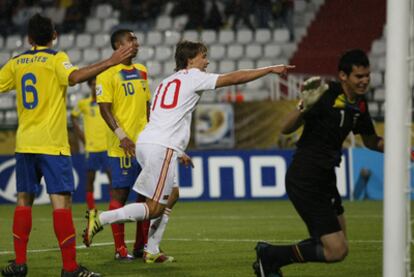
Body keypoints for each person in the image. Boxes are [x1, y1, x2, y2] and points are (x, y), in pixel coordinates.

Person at [82, 40, 295, 261]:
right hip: (160, 146)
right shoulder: (194, 77)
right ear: (190, 60)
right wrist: (269, 69)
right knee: (154, 208)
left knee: (172, 195)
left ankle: (152, 250)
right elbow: (234, 78)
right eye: (203, 56)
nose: (207, 61)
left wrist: (176, 150)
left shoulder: (167, 81)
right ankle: (101, 218)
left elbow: (162, 118)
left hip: (151, 142)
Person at [0, 13, 133, 277]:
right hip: (52, 144)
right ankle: (70, 268)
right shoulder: (56, 58)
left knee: (23, 200)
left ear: (28, 38)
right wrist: (110, 61)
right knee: (61, 203)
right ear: (54, 36)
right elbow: (75, 77)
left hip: (25, 142)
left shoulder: (17, 62)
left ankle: (20, 263)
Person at [252, 49, 384, 277]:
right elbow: (286, 128)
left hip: (325, 178)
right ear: (343, 76)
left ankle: (270, 256)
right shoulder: (325, 94)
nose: (364, 81)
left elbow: (372, 141)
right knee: (336, 250)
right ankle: (271, 256)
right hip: (306, 178)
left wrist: (405, 150)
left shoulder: (359, 104)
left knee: (340, 247)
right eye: (358, 76)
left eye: (367, 76)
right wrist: (303, 107)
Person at [92, 28, 177, 262]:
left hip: (146, 146)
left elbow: (148, 108)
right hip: (122, 146)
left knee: (147, 198)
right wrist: (122, 135)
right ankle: (120, 249)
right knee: (120, 193)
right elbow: (104, 109)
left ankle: (142, 247)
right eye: (131, 39)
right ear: (118, 46)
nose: (136, 43)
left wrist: (157, 136)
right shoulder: (106, 74)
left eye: (136, 39)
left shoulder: (142, 71)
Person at [70, 77, 111, 211]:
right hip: (91, 148)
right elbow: (73, 117)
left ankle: (114, 208)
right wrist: (81, 136)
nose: (95, 87)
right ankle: (92, 210)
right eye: (92, 84)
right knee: (89, 180)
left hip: (107, 146)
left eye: (97, 84)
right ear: (89, 86)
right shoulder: (83, 103)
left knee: (113, 180)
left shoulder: (106, 102)